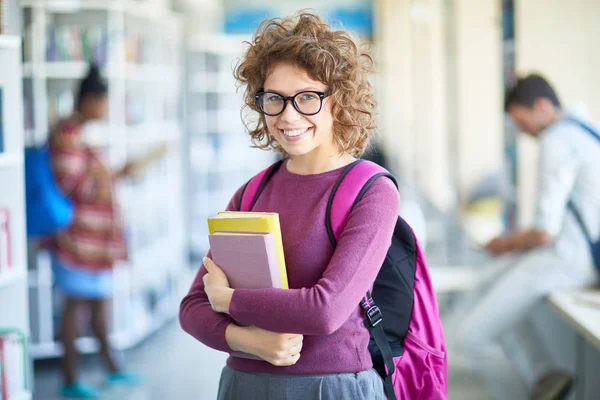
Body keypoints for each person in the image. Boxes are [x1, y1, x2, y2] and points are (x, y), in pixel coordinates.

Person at [179, 13, 399, 399]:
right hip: (244, 386)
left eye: (308, 98)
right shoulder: (252, 193)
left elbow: (325, 311)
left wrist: (230, 301)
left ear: (340, 101)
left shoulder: (371, 191)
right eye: (274, 99)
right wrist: (251, 342)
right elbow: (193, 308)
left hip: (331, 387)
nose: (288, 115)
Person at [455, 74, 600, 400]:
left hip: (570, 259)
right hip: (579, 252)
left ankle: (535, 388)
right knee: (487, 281)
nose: (521, 132)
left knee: (471, 337)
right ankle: (543, 376)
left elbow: (545, 232)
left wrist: (505, 243)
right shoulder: (586, 130)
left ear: (542, 106)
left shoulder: (557, 140)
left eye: (521, 122)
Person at [47, 64, 141, 398]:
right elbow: (73, 185)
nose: (104, 109)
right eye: (102, 102)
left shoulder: (80, 134)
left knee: (100, 304)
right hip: (78, 240)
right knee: (76, 306)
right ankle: (70, 379)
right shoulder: (68, 134)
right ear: (89, 100)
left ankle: (112, 368)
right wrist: (115, 176)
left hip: (96, 241)